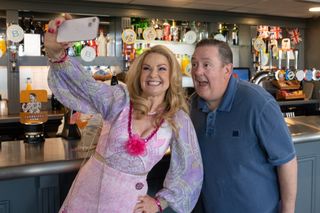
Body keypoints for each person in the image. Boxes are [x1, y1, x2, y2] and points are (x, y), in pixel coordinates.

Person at [44, 14, 203, 213]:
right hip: (87, 193)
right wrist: (58, 55)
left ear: (172, 76)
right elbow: (85, 86)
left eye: (162, 69)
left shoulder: (178, 119)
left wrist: (159, 202)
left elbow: (190, 170)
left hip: (128, 203)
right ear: (139, 73)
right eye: (147, 68)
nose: (153, 75)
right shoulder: (120, 99)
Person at [190, 39, 297, 213]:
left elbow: (287, 161)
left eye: (206, 65)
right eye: (194, 64)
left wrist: (288, 210)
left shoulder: (257, 102)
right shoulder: (192, 105)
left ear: (227, 70)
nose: (197, 71)